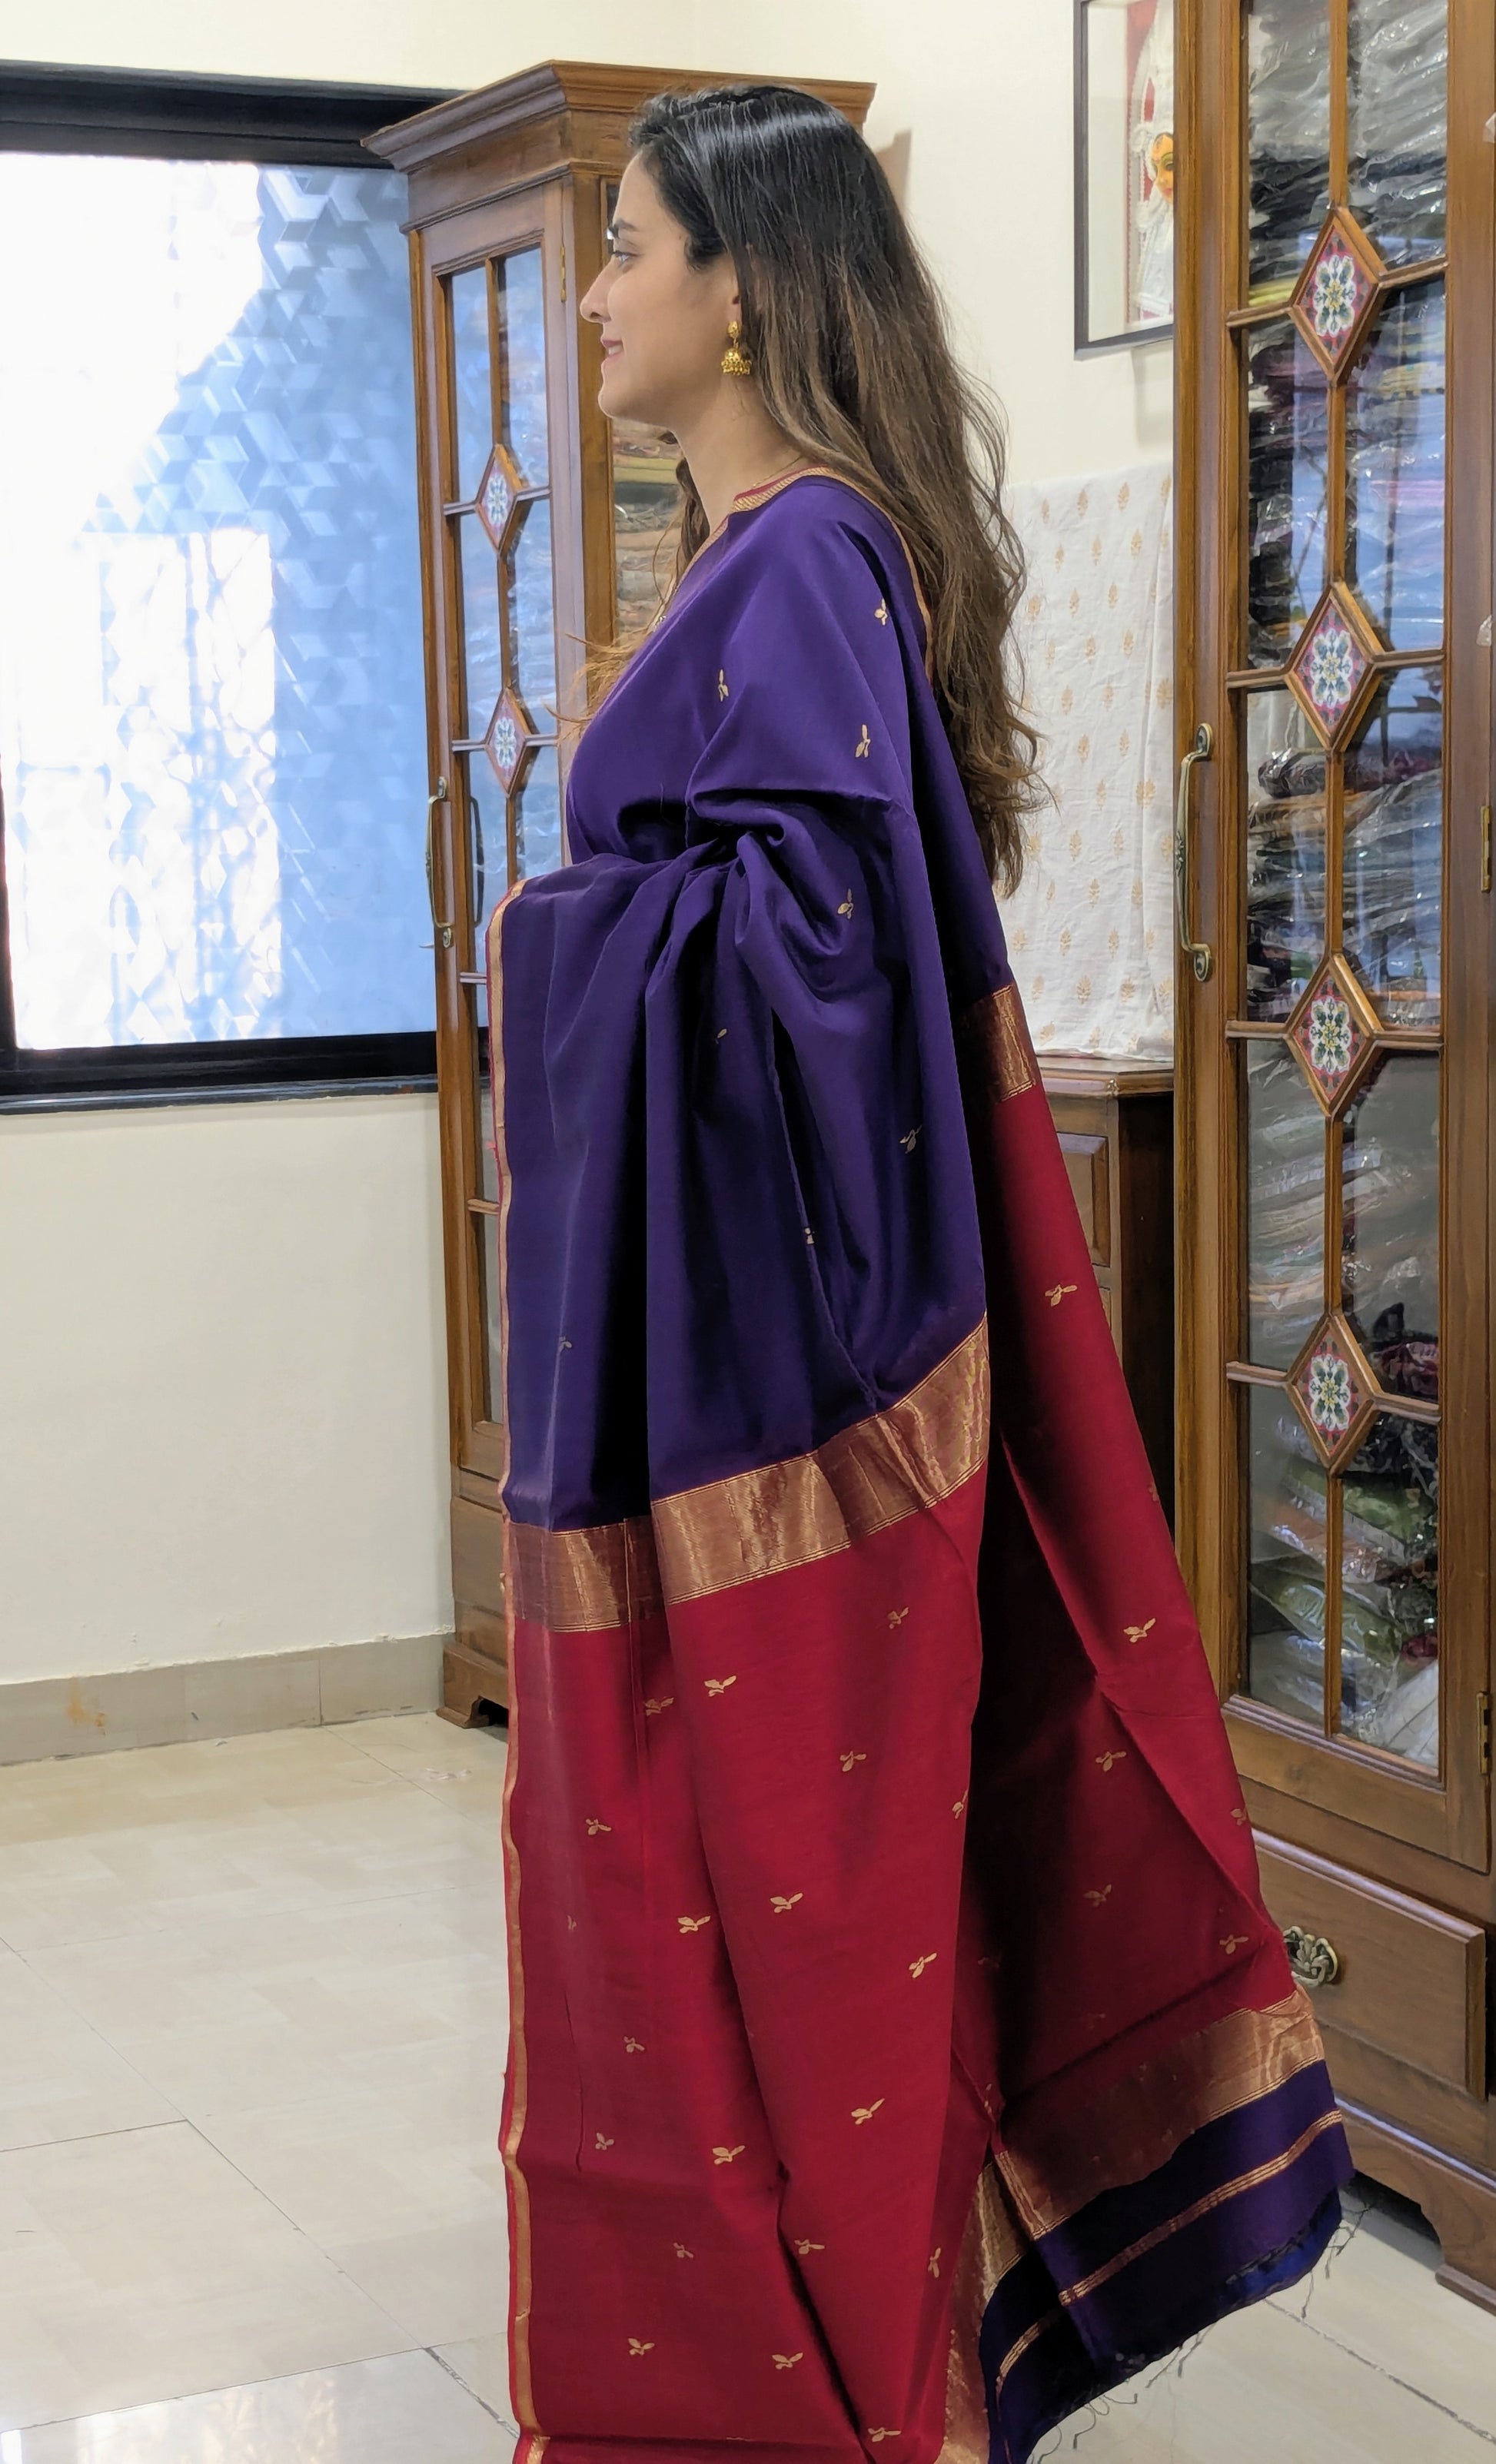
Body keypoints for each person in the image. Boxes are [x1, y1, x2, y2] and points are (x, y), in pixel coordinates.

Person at [488, 81, 1349, 2464]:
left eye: (625, 249)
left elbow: (814, 969)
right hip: (724, 1368)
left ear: (741, 286)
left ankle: (835, 2404)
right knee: (715, 1904)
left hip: (783, 1390)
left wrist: (552, 929)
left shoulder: (801, 567)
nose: (592, 293)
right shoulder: (763, 559)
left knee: (769, 1899)